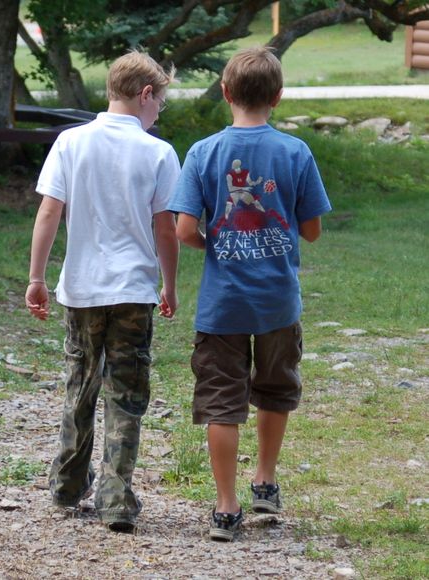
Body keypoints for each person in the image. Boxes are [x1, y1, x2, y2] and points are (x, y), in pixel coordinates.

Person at [167, 46, 331, 541]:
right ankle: (265, 480)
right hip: (279, 302)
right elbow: (313, 230)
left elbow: (184, 229)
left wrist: (216, 242)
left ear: (224, 92)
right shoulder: (295, 152)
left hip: (222, 305)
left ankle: (225, 506)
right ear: (278, 96)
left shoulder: (202, 152)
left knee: (222, 402)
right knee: (275, 389)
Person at [25, 50, 180, 533]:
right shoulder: (157, 152)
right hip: (133, 289)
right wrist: (169, 284)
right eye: (160, 104)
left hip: (80, 288)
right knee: (127, 392)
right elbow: (165, 227)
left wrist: (36, 277)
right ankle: (115, 497)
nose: (159, 114)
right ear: (145, 94)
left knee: (81, 381)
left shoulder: (71, 142)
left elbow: (49, 212)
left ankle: (69, 483)